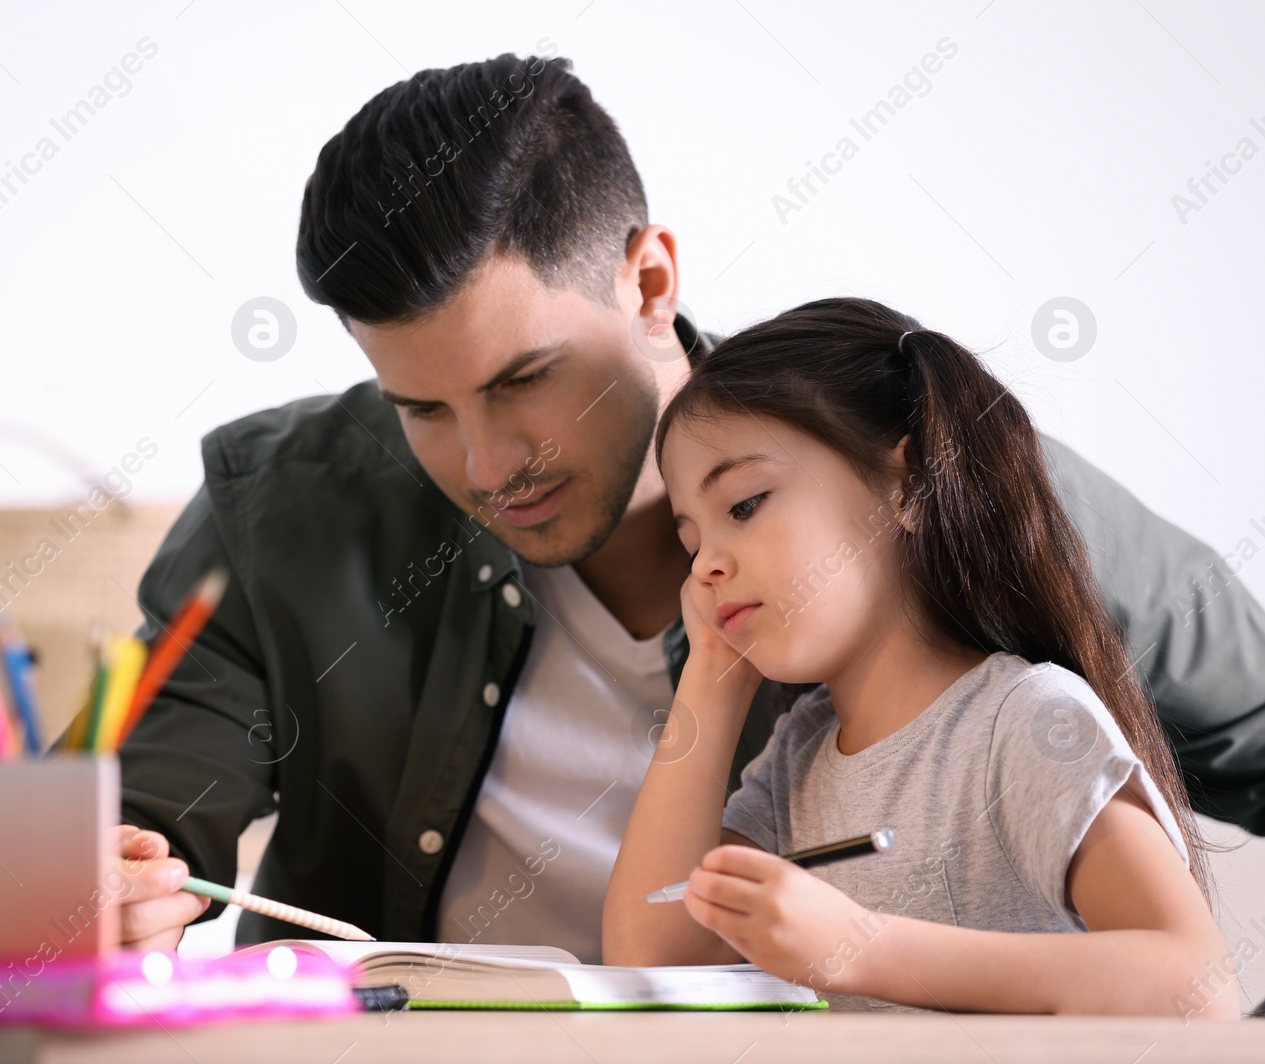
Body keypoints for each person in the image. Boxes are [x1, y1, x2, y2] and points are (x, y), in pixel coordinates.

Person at [108, 52, 1265, 962]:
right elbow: (129, 823)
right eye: (420, 407)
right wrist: (103, 891)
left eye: (524, 380)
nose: (485, 460)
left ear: (650, 279)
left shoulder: (913, 468)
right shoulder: (282, 505)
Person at [602, 297, 1238, 1017]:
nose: (707, 565)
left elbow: (1199, 984)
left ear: (909, 483)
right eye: (691, 542)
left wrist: (863, 945)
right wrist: (710, 679)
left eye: (744, 504)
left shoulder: (1024, 721)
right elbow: (652, 951)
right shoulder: (798, 758)